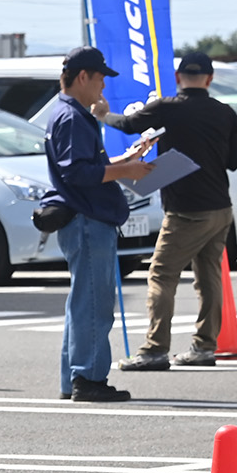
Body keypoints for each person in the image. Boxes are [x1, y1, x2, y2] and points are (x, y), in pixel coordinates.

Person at [96, 51, 237, 371]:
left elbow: (129, 124)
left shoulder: (168, 108)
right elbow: (234, 161)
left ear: (178, 78)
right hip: (220, 207)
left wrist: (103, 115)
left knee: (162, 274)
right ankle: (204, 346)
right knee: (209, 277)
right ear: (210, 79)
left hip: (185, 209)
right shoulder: (225, 113)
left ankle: (154, 349)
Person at [44, 47, 155, 402]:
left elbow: (80, 167)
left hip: (83, 218)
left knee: (83, 301)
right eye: (101, 77)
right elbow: (77, 173)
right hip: (88, 218)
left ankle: (73, 377)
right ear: (83, 77)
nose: (104, 86)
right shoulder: (73, 117)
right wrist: (126, 169)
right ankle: (88, 378)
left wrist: (126, 159)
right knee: (93, 302)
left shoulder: (67, 112)